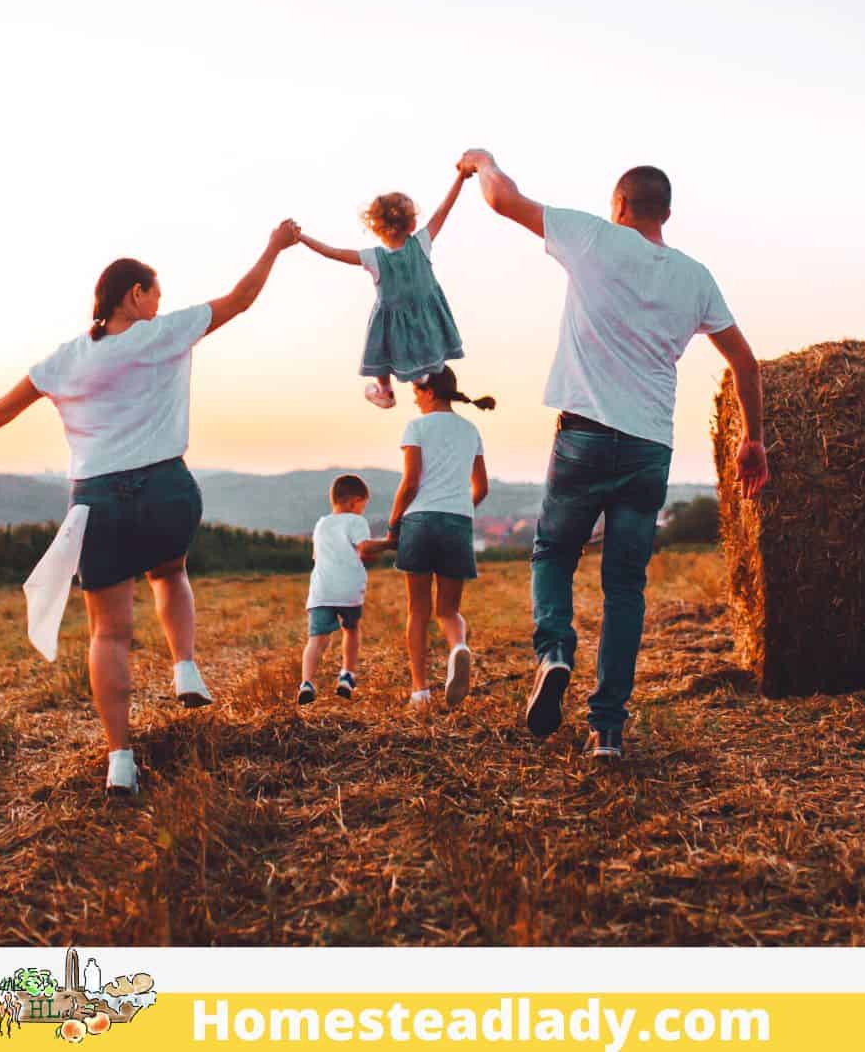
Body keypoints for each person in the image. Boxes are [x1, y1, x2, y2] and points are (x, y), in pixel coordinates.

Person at [0, 218, 301, 797]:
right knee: (170, 571)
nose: (159, 304)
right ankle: (185, 667)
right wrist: (275, 246)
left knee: (110, 635)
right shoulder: (164, 333)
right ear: (135, 294)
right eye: (155, 294)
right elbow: (241, 299)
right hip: (167, 490)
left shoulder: (65, 359)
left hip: (98, 502)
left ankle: (120, 760)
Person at [458, 149, 768, 759]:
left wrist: (482, 161)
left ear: (619, 205)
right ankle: (607, 730)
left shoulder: (592, 237)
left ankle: (555, 651)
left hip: (585, 436)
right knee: (625, 587)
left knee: (553, 552)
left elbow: (501, 199)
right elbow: (745, 364)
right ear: (666, 213)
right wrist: (751, 439)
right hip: (650, 447)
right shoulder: (695, 277)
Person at [299, 169, 468, 408]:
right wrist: (460, 178)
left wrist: (302, 238)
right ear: (412, 224)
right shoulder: (421, 242)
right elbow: (444, 209)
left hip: (393, 323)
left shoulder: (373, 257)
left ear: (377, 228)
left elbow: (333, 253)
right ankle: (421, 373)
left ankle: (385, 391)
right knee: (420, 338)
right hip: (426, 323)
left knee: (381, 348)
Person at [384, 363, 494, 710]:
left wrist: (393, 524)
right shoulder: (471, 429)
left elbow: (410, 482)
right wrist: (458, 508)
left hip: (419, 521)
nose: (415, 401)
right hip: (457, 522)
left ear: (429, 392)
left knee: (418, 610)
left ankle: (420, 692)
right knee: (448, 610)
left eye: (416, 393)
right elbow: (482, 488)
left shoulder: (416, 427)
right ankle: (458, 646)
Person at [297, 472, 390, 706]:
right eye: (362, 505)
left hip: (321, 591)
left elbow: (317, 556)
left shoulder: (321, 524)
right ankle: (347, 675)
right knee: (351, 630)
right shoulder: (355, 521)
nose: (362, 510)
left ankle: (306, 683)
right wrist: (390, 543)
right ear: (353, 502)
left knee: (316, 640)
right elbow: (365, 547)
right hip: (348, 589)